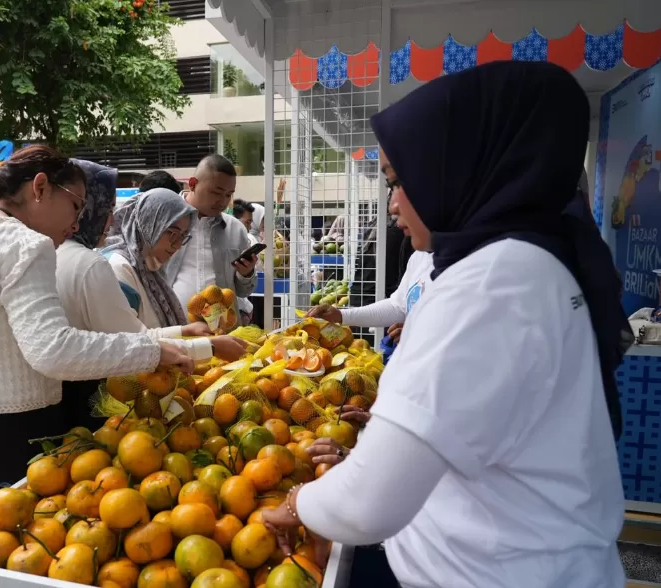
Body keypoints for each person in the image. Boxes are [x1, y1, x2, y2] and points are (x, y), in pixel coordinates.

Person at [262, 62, 630, 587]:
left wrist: (297, 502)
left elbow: (370, 504)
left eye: (397, 181)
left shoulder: (489, 282)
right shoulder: (531, 262)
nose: (392, 205)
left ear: (457, 169)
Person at [0, 146, 193, 547]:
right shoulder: (26, 245)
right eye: (75, 205)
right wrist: (152, 352)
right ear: (41, 187)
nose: (77, 222)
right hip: (5, 437)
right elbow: (52, 351)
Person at [56, 163, 246, 370]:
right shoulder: (113, 268)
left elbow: (137, 334)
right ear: (149, 225)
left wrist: (183, 331)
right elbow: (132, 343)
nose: (111, 220)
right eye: (171, 232)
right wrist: (208, 346)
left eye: (183, 237)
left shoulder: (148, 269)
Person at [163, 154, 257, 314]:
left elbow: (243, 292)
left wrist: (246, 273)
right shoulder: (163, 220)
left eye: (228, 194)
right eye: (216, 192)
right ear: (192, 184)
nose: (223, 201)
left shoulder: (236, 229)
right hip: (173, 329)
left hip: (222, 331)